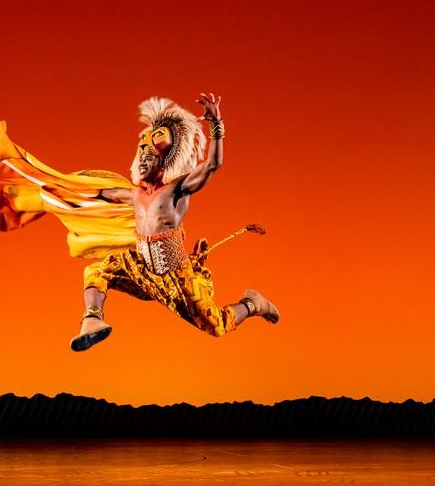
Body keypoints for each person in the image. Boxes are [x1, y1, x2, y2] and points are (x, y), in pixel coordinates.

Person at [69, 93, 279, 352]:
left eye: (150, 158)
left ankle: (252, 304)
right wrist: (60, 191)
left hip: (177, 278)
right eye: (141, 157)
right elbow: (101, 193)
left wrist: (216, 124)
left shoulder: (176, 191)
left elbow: (213, 164)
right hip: (142, 271)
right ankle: (92, 319)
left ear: (162, 164)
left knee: (215, 325)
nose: (143, 161)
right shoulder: (133, 195)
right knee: (97, 271)